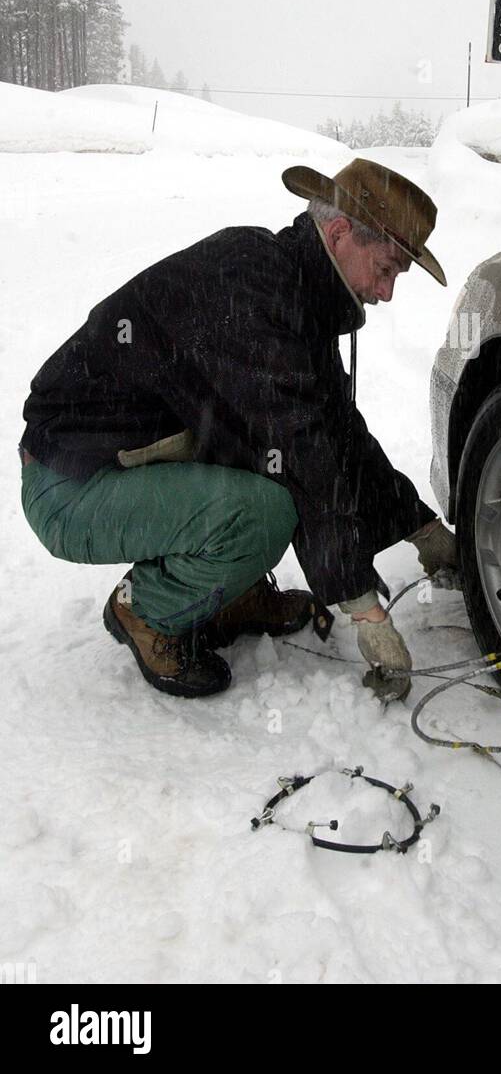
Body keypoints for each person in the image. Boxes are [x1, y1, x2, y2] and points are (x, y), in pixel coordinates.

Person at [18, 157, 458, 701]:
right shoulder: (249, 286)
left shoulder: (296, 291)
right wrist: (365, 611)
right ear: (340, 233)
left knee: (268, 468)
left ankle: (229, 593)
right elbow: (301, 450)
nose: (387, 292)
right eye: (386, 269)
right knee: (266, 508)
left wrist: (421, 529)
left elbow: (335, 434)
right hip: (72, 485)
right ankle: (143, 609)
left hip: (130, 464)